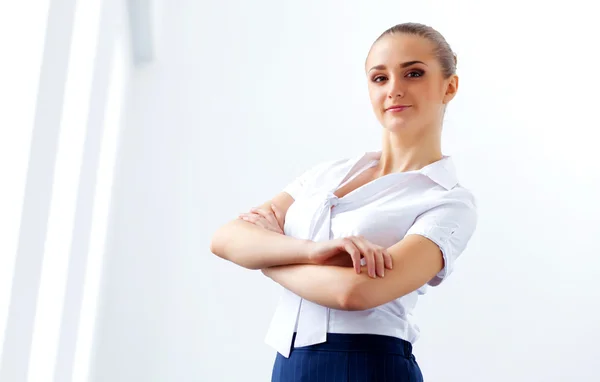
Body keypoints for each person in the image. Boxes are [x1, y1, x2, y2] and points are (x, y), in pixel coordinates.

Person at [210, 22, 478, 382]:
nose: (394, 89)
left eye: (413, 73)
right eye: (379, 78)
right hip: (288, 364)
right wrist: (312, 252)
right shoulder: (325, 175)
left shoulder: (448, 201)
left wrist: (266, 260)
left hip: (368, 365)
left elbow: (357, 291)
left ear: (450, 86)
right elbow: (226, 239)